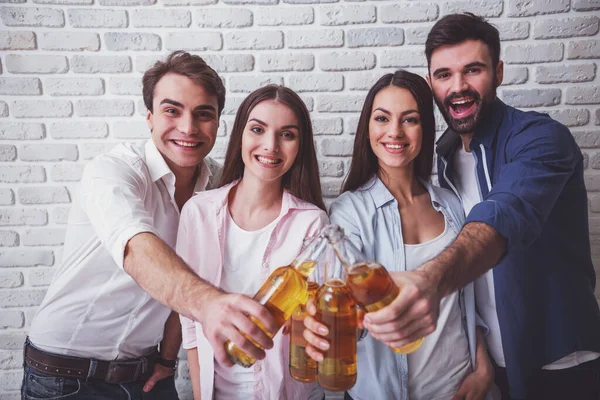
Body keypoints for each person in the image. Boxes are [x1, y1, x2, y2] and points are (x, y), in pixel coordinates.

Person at [361, 13, 600, 400]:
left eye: (473, 70)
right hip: (496, 367)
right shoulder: (445, 157)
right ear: (431, 84)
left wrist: (429, 281)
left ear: (499, 72)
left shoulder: (541, 139)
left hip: (560, 361)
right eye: (444, 75)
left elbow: (502, 217)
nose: (458, 87)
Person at [22, 51, 280, 400]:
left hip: (149, 373)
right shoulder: (113, 170)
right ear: (149, 117)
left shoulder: (220, 187)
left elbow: (198, 269)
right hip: (66, 374)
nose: (188, 128)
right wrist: (208, 306)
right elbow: (138, 249)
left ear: (218, 123)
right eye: (172, 110)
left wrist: (166, 358)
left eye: (203, 114)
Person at [303, 70, 494, 400]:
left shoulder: (450, 203)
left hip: (463, 387)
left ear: (425, 129)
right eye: (382, 118)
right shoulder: (351, 210)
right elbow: (345, 306)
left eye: (409, 120)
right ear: (368, 128)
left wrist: (484, 369)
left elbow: (464, 301)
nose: (394, 132)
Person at [176, 85, 328, 400]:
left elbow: (310, 324)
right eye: (258, 129)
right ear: (241, 135)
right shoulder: (198, 213)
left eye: (287, 135)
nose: (270, 145)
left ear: (300, 146)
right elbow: (190, 322)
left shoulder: (311, 224)